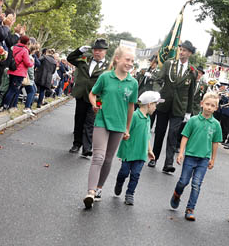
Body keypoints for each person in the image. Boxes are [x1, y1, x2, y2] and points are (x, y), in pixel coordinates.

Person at [82, 46, 138, 209]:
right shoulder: (106, 77)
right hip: (102, 121)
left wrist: (127, 128)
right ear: (117, 59)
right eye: (127, 59)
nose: (130, 63)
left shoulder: (133, 83)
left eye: (132, 61)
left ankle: (99, 189)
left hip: (119, 126)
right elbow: (93, 94)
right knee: (98, 156)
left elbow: (130, 107)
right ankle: (90, 192)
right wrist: (95, 105)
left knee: (108, 159)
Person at [170, 92, 222, 220]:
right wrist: (181, 153)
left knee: (196, 184)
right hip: (190, 156)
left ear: (216, 108)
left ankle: (190, 209)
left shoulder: (216, 124)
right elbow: (185, 137)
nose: (209, 107)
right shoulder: (193, 120)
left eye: (212, 105)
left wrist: (213, 159)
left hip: (203, 159)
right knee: (183, 181)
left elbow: (215, 143)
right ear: (202, 104)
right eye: (207, 104)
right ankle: (177, 193)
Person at [148, 40, 197, 173]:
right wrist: (157, 93)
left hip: (179, 107)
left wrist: (188, 112)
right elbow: (158, 80)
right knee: (159, 132)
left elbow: (191, 92)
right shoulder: (169, 64)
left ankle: (168, 163)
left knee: (173, 134)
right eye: (181, 50)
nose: (182, 52)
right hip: (164, 103)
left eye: (185, 51)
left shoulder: (192, 71)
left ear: (190, 53)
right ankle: (154, 158)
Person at [114, 91, 163, 205]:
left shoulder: (148, 119)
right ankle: (119, 181)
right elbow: (125, 130)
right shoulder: (134, 116)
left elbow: (147, 136)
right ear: (149, 104)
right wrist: (124, 136)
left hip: (141, 153)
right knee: (124, 172)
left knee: (136, 174)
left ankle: (130, 194)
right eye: (155, 105)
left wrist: (150, 150)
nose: (156, 108)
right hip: (129, 151)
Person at [68, 39, 110, 158]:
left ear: (105, 52)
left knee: (91, 122)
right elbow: (70, 58)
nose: (97, 52)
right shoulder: (84, 59)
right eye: (95, 50)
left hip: (98, 97)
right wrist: (79, 50)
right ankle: (77, 144)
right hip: (81, 93)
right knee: (79, 119)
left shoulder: (109, 66)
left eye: (100, 50)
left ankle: (87, 148)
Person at [1, 35, 33, 110]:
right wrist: (32, 62)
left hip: (11, 70)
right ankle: (5, 106)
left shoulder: (13, 47)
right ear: (27, 42)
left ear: (19, 40)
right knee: (13, 90)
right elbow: (27, 63)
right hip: (19, 73)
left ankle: (6, 105)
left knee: (10, 89)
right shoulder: (25, 50)